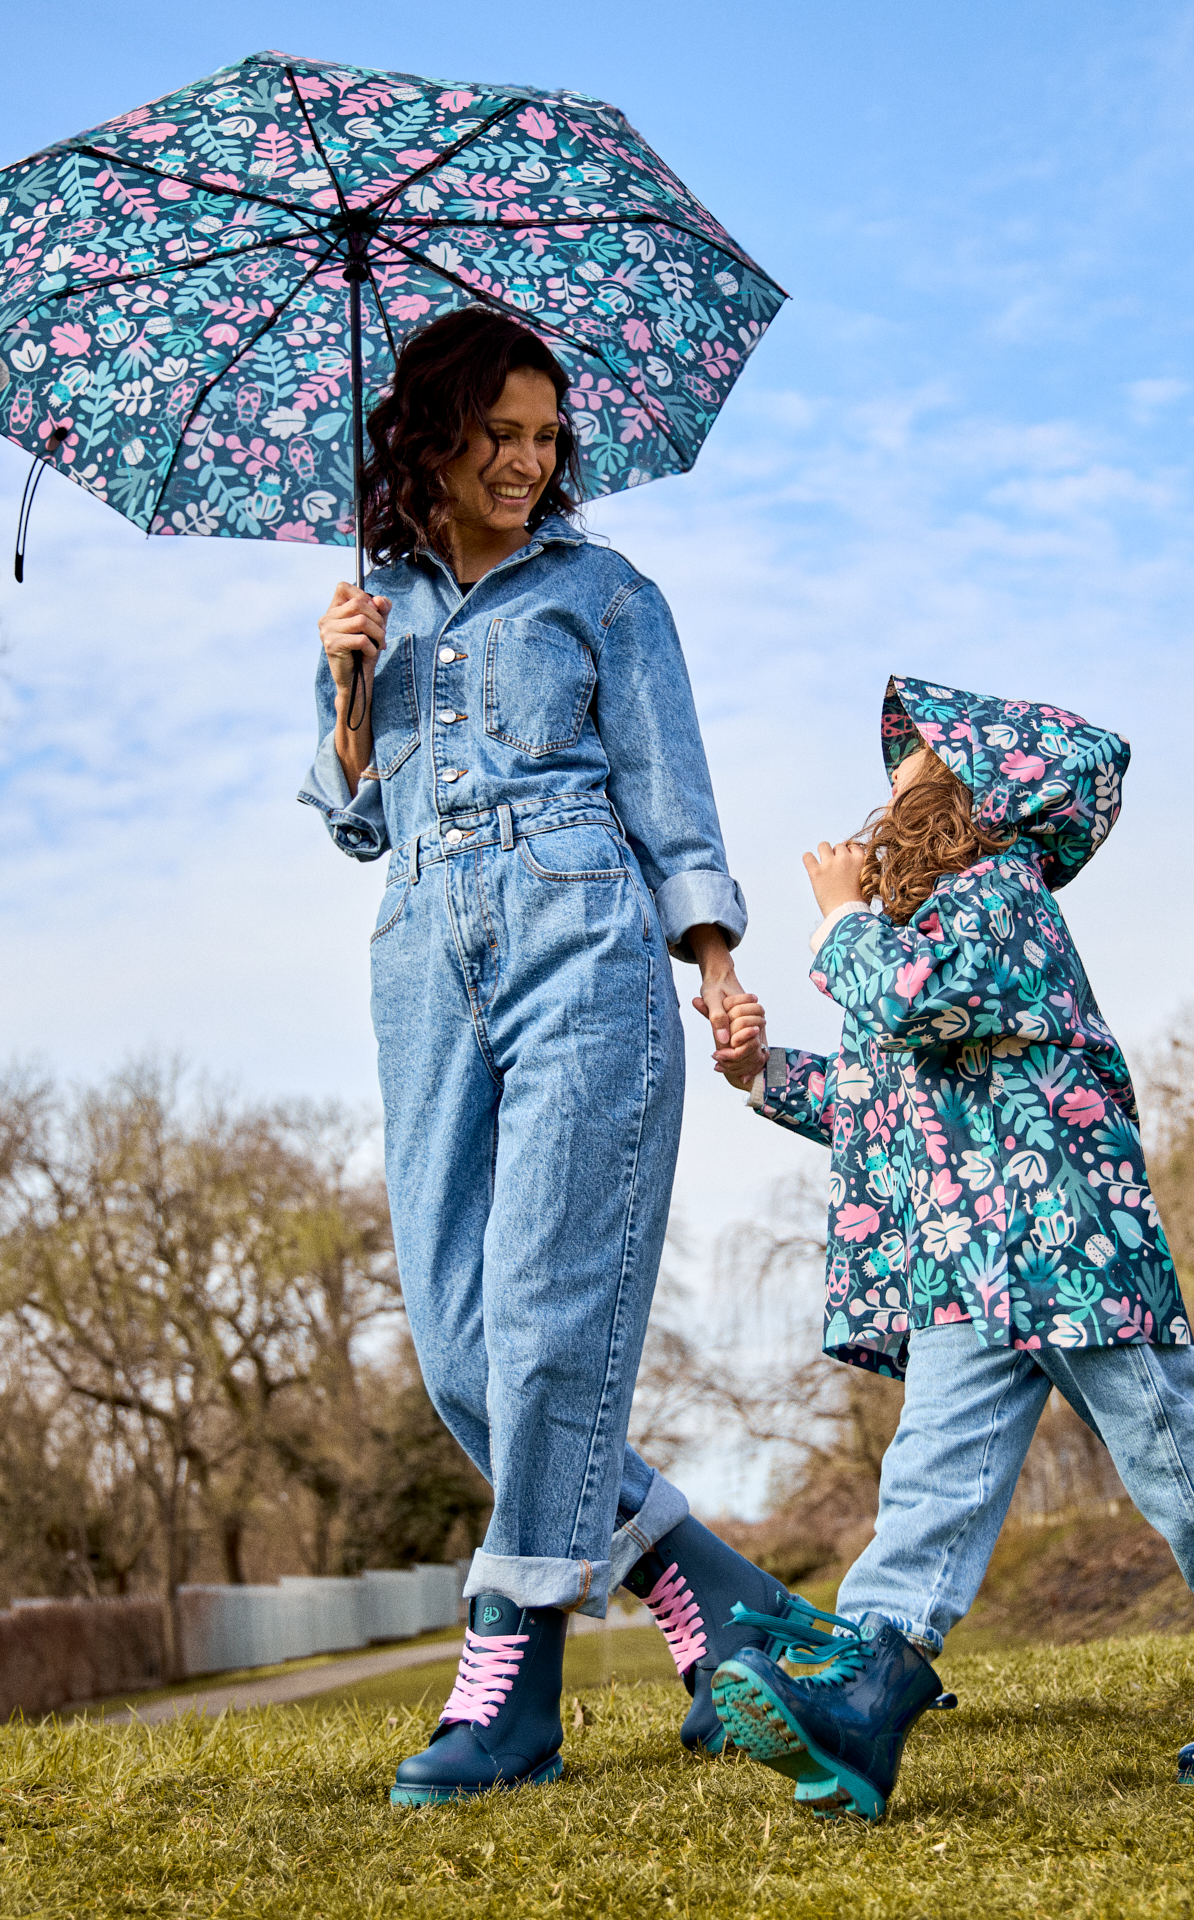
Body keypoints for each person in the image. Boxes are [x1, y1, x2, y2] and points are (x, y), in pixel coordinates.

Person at [708, 677, 1194, 1822]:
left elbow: (910, 1001)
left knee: (1169, 1454)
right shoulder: (937, 926)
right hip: (970, 1263)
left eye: (914, 764)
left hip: (1064, 1239)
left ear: (978, 790)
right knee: (932, 1477)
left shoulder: (1001, 899)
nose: (891, 783)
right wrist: (759, 1073)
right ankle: (865, 1696)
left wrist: (837, 920)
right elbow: (880, 1092)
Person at [299, 309, 798, 1804]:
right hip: (419, 958)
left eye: (544, 437)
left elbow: (672, 793)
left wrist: (714, 968)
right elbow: (352, 819)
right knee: (461, 1339)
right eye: (497, 435)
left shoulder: (607, 592)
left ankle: (507, 1674)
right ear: (431, 441)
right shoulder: (369, 607)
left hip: (584, 940)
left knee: (547, 1315)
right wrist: (344, 691)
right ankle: (715, 1590)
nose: (525, 461)